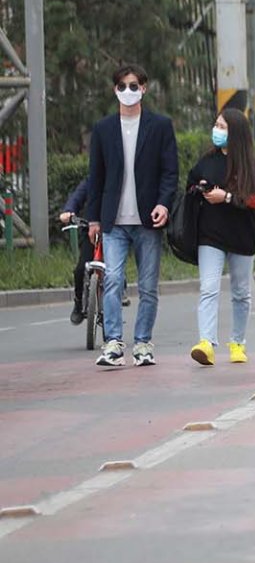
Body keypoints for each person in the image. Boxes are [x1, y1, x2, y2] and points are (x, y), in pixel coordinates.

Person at [84, 63, 178, 369]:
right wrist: (94, 219)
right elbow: (95, 178)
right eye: (122, 86)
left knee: (148, 286)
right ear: (115, 90)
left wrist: (164, 203)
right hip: (114, 222)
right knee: (111, 280)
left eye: (134, 85)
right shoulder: (103, 129)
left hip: (147, 221)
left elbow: (170, 172)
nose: (128, 91)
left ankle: (142, 344)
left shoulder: (160, 126)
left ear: (144, 88)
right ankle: (113, 343)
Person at [186, 107, 255, 366]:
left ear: (236, 133)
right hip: (209, 235)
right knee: (209, 288)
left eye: (223, 127)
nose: (217, 131)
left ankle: (237, 342)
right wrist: (199, 190)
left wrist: (228, 197)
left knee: (241, 293)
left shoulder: (251, 166)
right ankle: (206, 343)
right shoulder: (206, 161)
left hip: (242, 236)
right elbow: (189, 185)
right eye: (216, 125)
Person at [57, 176, 95, 326]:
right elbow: (77, 197)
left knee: (115, 269)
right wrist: (68, 211)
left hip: (113, 234)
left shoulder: (116, 180)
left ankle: (121, 288)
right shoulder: (90, 181)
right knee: (80, 270)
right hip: (90, 233)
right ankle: (78, 303)